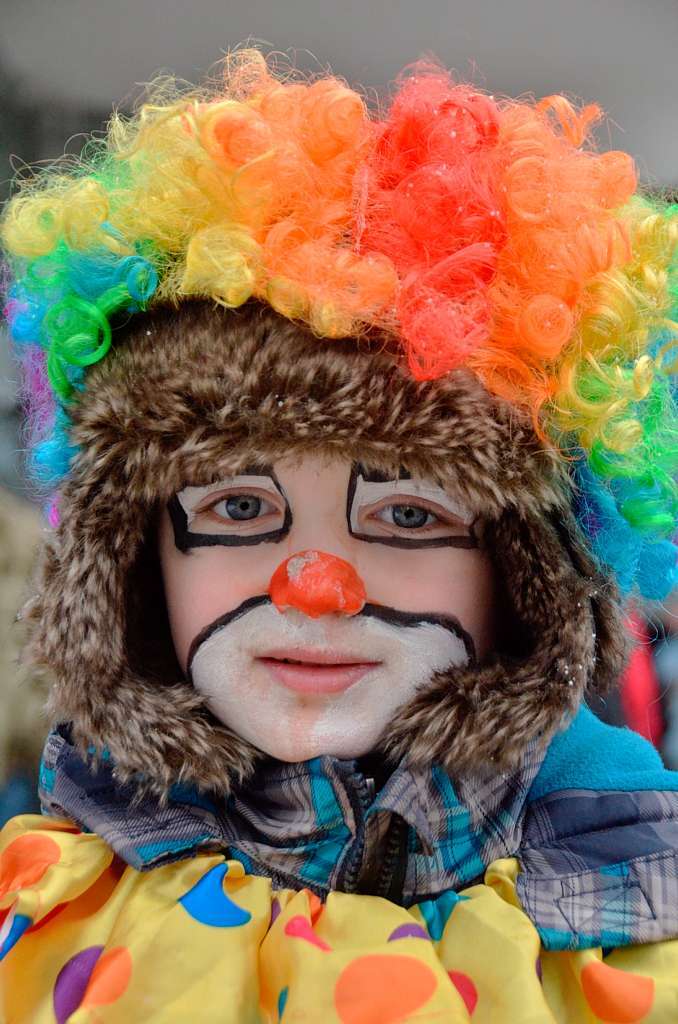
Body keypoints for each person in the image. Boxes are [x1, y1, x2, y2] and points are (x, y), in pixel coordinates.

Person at [1, 50, 677, 1022]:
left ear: (524, 570)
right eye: (237, 508)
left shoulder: (638, 900)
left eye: (407, 515)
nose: (316, 585)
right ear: (137, 556)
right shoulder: (46, 895)